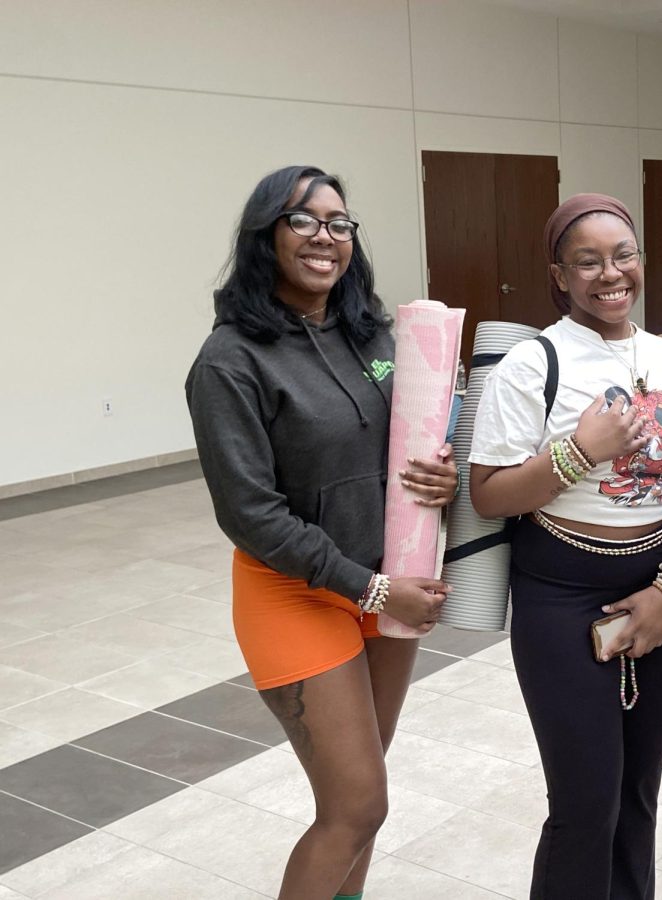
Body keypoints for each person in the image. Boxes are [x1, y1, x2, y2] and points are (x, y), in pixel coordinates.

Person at [185, 165, 457, 900]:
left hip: (384, 582)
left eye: (338, 223)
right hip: (298, 593)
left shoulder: (369, 334)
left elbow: (411, 442)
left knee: (357, 809)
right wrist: (371, 590)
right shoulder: (229, 360)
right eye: (302, 220)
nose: (324, 237)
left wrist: (445, 475)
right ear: (265, 235)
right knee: (358, 804)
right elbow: (250, 513)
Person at [468, 193, 662, 899]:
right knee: (586, 802)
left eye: (623, 255)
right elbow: (488, 492)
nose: (609, 274)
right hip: (560, 598)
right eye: (587, 261)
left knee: (639, 792)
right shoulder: (532, 363)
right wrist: (582, 451)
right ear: (560, 275)